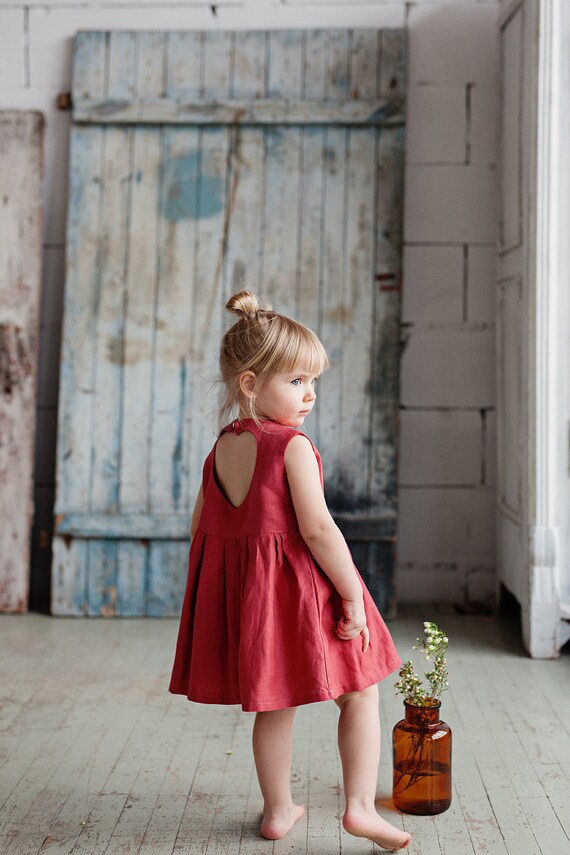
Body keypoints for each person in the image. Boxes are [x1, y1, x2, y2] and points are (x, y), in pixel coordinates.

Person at [169, 290, 411, 851]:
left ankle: (278, 811)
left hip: (257, 600)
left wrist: (229, 593)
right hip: (304, 593)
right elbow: (319, 530)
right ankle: (358, 808)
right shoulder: (290, 446)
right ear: (251, 384)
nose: (310, 395)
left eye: (313, 382)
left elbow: (202, 527)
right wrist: (351, 594)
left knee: (274, 702)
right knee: (360, 692)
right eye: (296, 381)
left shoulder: (222, 447)